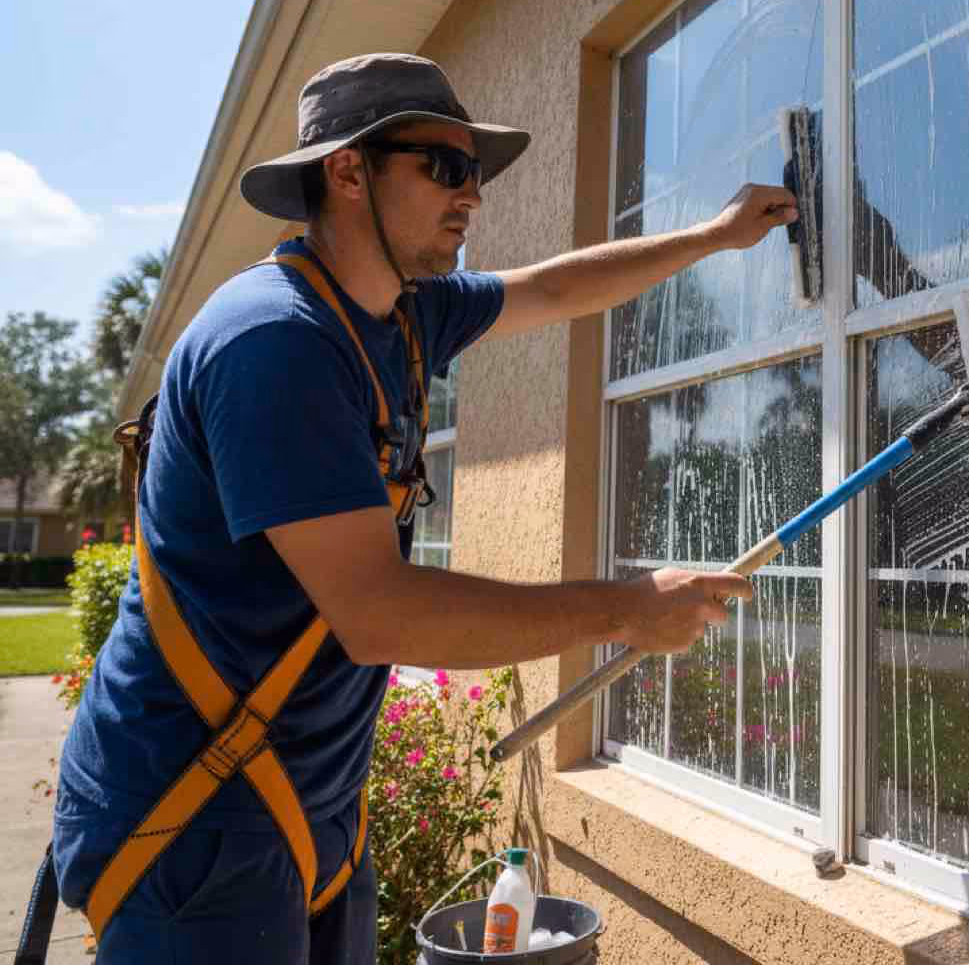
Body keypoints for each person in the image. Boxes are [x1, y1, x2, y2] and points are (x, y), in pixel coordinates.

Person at [42, 53, 794, 962]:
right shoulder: (273, 342)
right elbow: (379, 613)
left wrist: (712, 238)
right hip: (191, 820)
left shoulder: (404, 315)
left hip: (308, 799)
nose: (472, 195)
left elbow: (555, 287)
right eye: (445, 167)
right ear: (348, 171)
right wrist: (630, 609)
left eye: (476, 171)